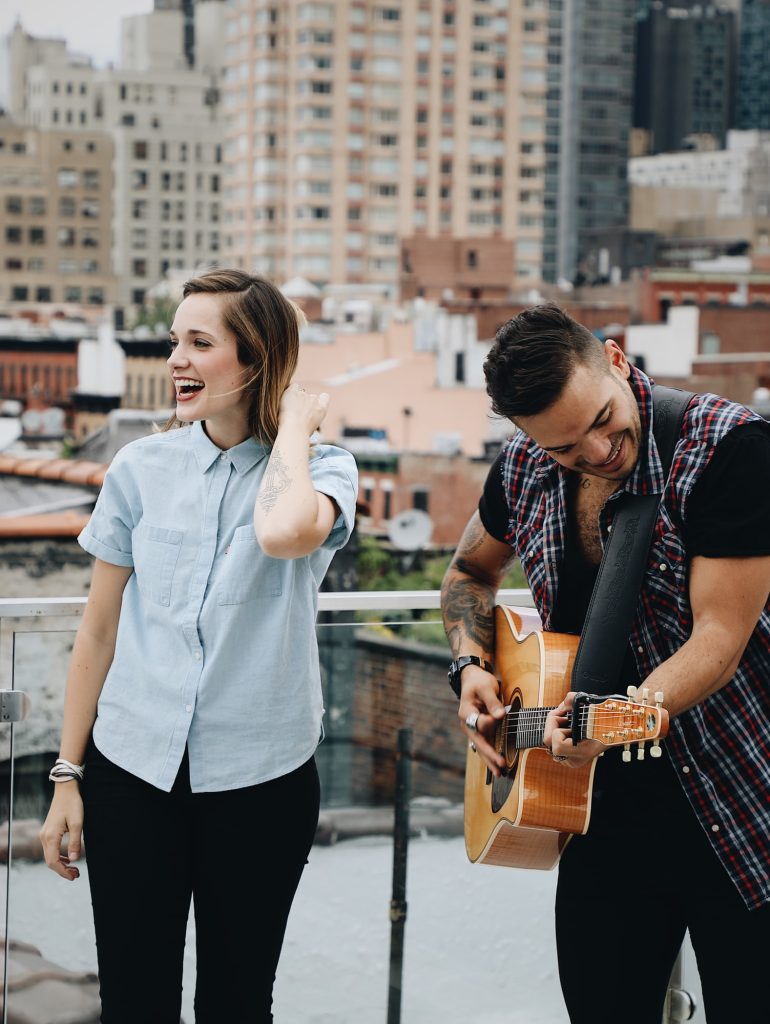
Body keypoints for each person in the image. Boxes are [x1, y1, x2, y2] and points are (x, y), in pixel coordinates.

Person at [39, 269, 358, 1023]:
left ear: (255, 360)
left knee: (237, 1004)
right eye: (174, 340)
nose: (176, 359)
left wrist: (296, 425)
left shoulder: (321, 470)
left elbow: (284, 533)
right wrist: (66, 776)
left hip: (261, 785)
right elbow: (99, 629)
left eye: (200, 342)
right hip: (132, 773)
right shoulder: (139, 468)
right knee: (133, 1002)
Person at [440, 304, 770, 1024]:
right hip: (593, 810)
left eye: (602, 420)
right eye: (564, 446)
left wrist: (611, 720)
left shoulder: (727, 447)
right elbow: (468, 571)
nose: (596, 451)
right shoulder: (523, 466)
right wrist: (470, 668)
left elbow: (719, 640)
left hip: (740, 797)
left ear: (616, 360)